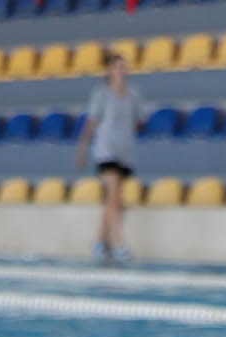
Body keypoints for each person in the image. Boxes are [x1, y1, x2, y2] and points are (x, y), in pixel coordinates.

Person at [74, 49, 141, 266]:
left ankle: (99, 243)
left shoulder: (134, 96)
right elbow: (91, 123)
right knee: (113, 197)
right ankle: (120, 245)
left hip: (125, 152)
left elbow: (138, 123)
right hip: (106, 151)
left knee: (114, 201)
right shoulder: (101, 94)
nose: (122, 71)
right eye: (118, 67)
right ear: (110, 71)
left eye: (124, 67)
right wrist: (83, 149)